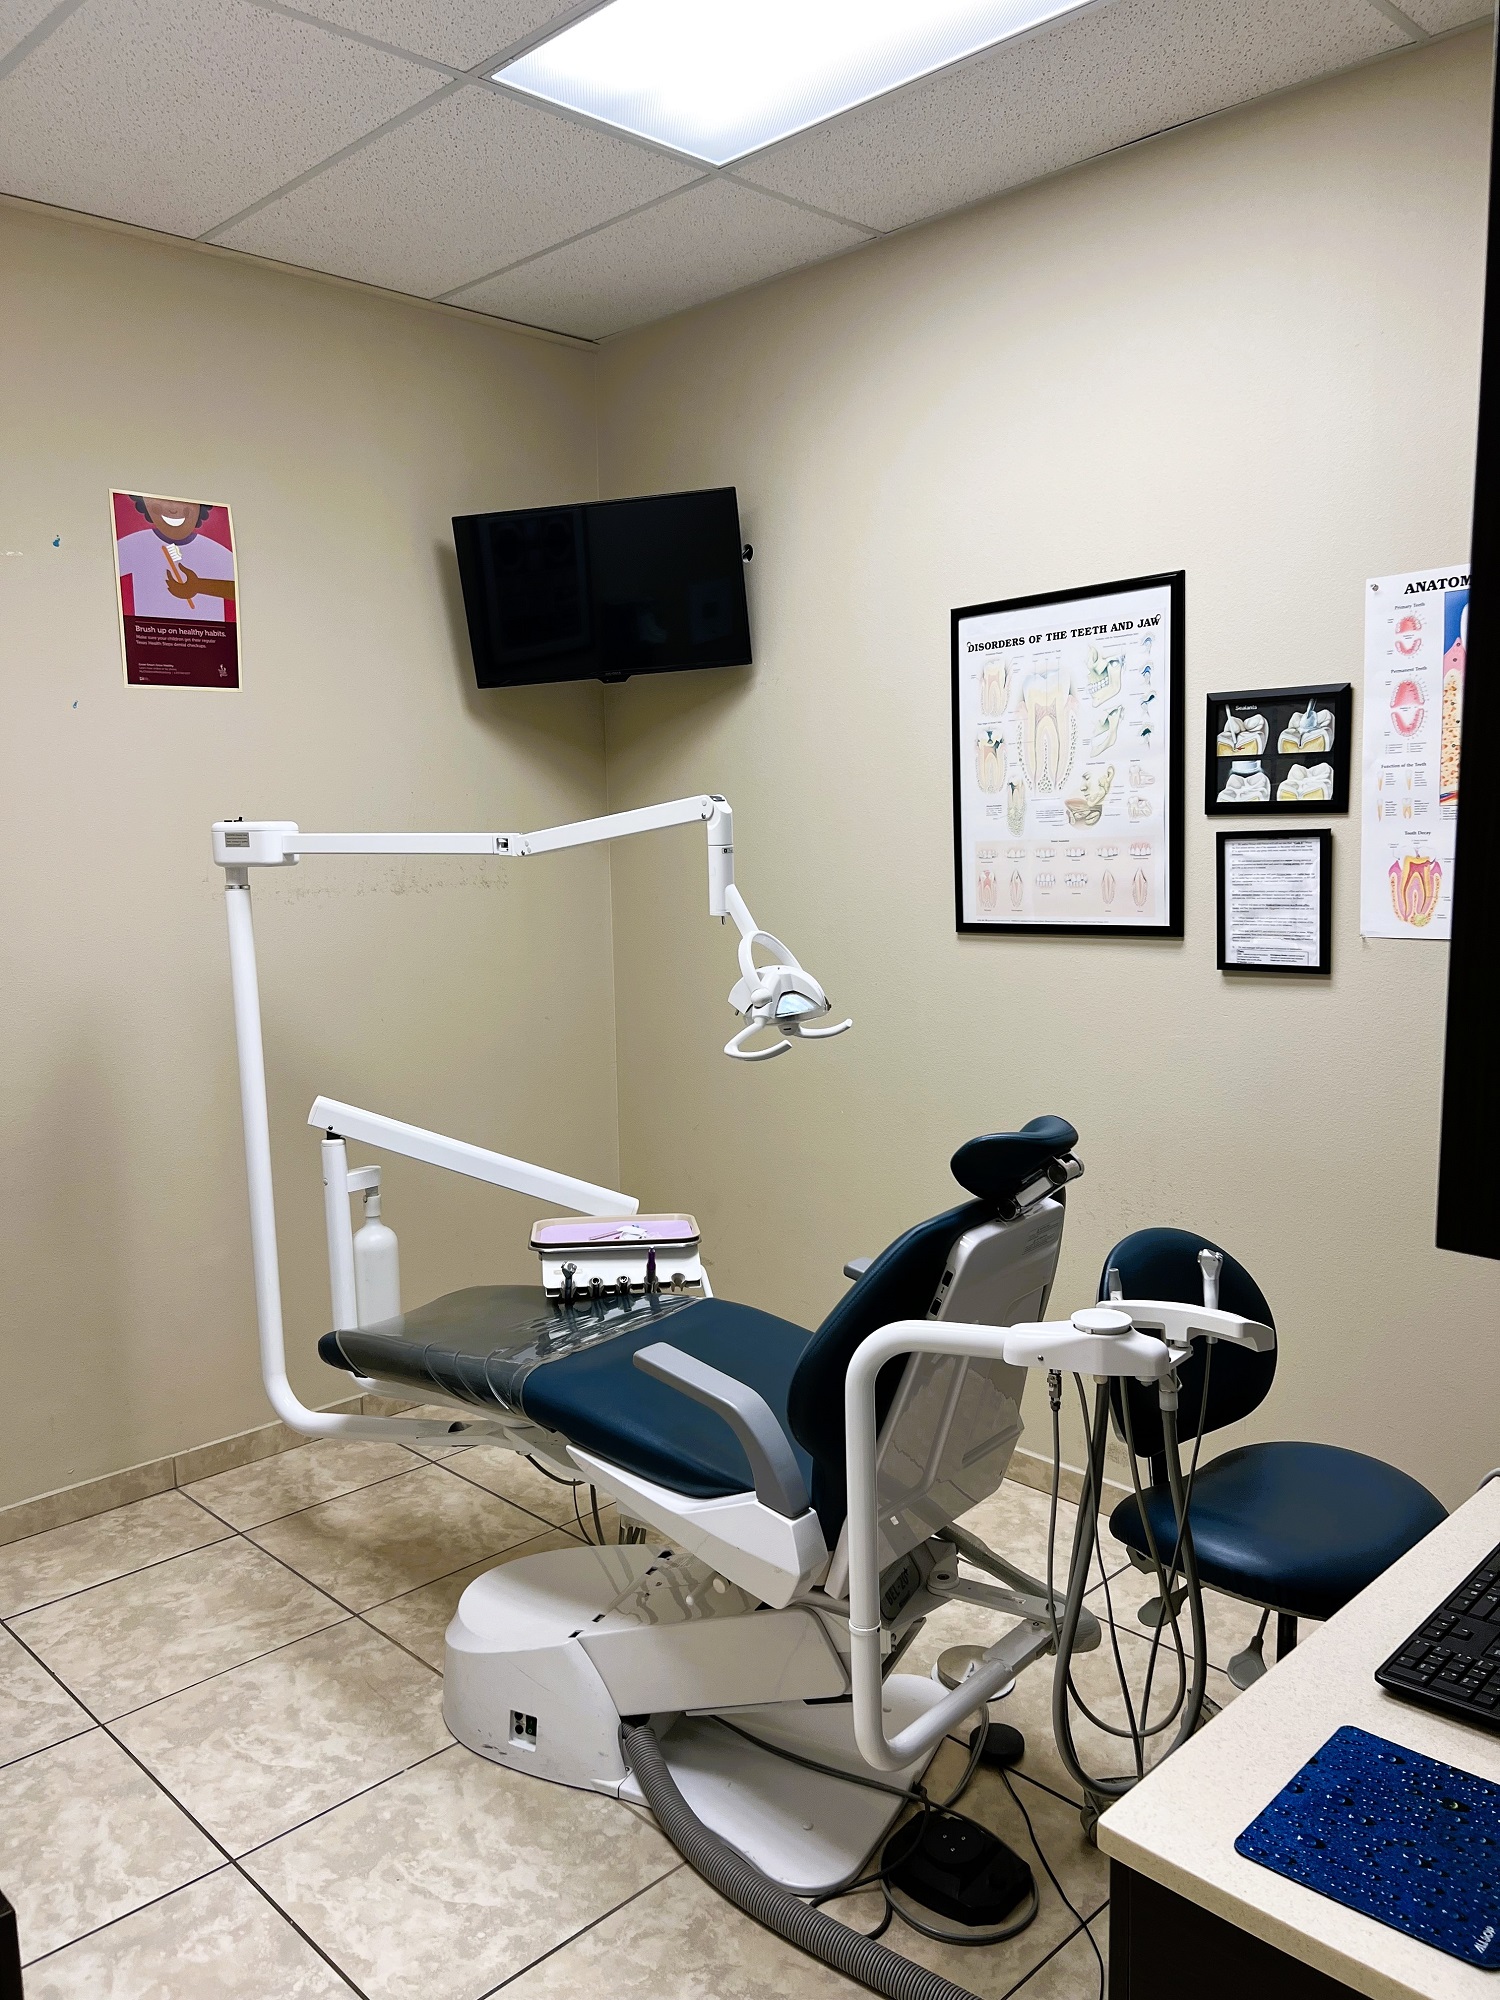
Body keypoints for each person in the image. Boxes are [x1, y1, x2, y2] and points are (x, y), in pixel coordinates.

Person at [116, 496, 236, 621]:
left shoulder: (215, 552)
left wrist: (198, 586)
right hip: (149, 628)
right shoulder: (134, 544)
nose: (173, 510)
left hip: (207, 628)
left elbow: (237, 589)